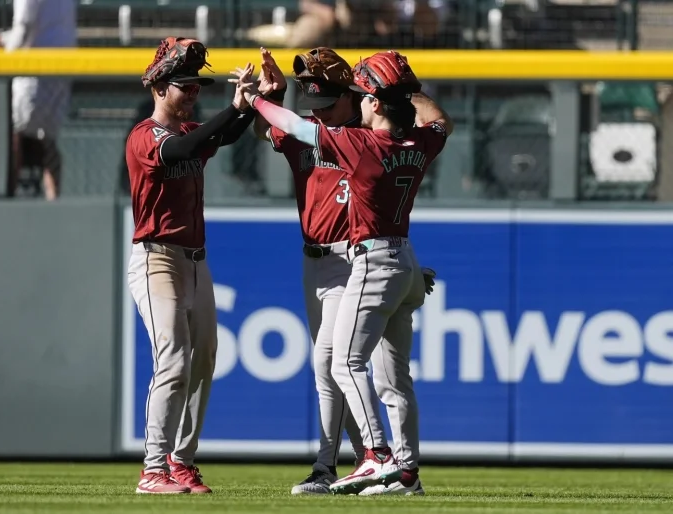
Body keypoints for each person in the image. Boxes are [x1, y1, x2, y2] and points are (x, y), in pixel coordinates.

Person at [239, 49, 453, 495]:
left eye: (366, 94)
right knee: (395, 378)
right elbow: (439, 123)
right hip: (402, 256)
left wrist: (256, 100)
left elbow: (297, 126)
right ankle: (407, 472)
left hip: (370, 260)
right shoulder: (418, 143)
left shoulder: (363, 144)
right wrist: (403, 86)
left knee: (344, 362)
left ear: (372, 101)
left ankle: (376, 456)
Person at [126, 37, 255, 495]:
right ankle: (153, 469)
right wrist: (232, 113)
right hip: (156, 258)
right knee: (175, 358)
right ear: (159, 86)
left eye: (198, 86)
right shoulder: (147, 135)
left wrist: (247, 105)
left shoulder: (187, 133)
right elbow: (188, 148)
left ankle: (181, 461)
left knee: (203, 361)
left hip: (196, 261)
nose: (194, 93)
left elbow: (222, 135)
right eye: (185, 86)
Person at [251, 47, 367, 494]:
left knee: (329, 362)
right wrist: (273, 94)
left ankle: (326, 465)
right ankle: (370, 460)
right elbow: (267, 128)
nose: (320, 111)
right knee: (338, 367)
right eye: (312, 103)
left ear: (351, 95)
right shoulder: (308, 130)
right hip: (313, 259)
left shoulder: (369, 135)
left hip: (352, 258)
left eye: (328, 102)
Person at [0, 0, 76, 200]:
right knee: (48, 142)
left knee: (12, 135)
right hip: (63, 67)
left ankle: (6, 200)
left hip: (33, 71)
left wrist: (0, 52)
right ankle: (54, 201)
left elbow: (24, 28)